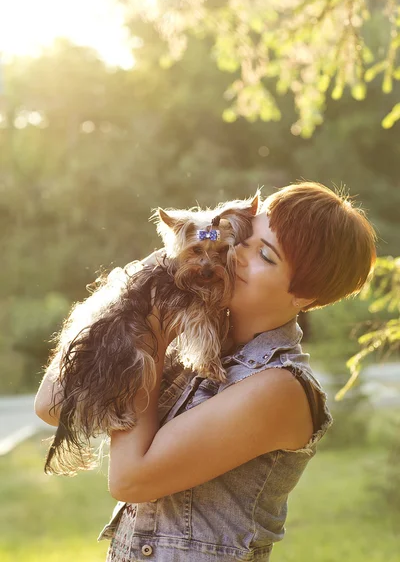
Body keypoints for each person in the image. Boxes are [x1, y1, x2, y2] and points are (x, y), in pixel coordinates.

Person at [34, 181, 377, 562]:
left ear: (304, 295)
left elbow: (130, 479)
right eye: (241, 239)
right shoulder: (189, 343)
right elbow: (53, 402)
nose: (235, 256)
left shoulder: (278, 387)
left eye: (264, 255)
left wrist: (146, 329)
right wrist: (138, 283)